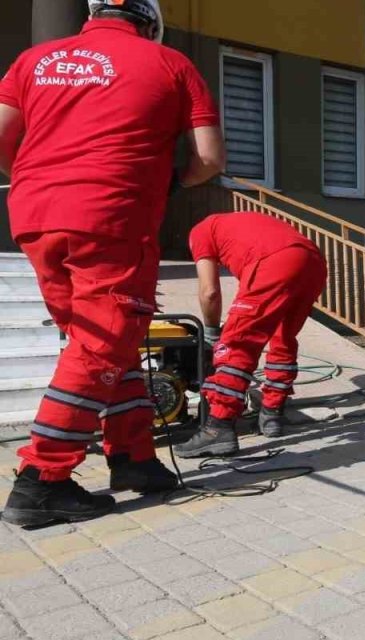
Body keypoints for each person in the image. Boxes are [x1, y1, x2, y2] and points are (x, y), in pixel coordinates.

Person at [0, 0, 224, 527]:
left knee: (102, 341)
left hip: (34, 215)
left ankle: (134, 458)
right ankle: (42, 482)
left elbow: (2, 136)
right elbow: (209, 158)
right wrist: (171, 180)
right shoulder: (170, 64)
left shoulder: (36, 59)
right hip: (110, 213)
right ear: (149, 23)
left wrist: (41, 178)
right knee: (103, 343)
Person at [173, 212, 326, 458]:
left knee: (237, 343)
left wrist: (212, 334)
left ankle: (219, 428)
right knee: (282, 337)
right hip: (313, 262)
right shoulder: (239, 221)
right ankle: (272, 414)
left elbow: (209, 291)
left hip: (275, 262)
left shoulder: (200, 231)